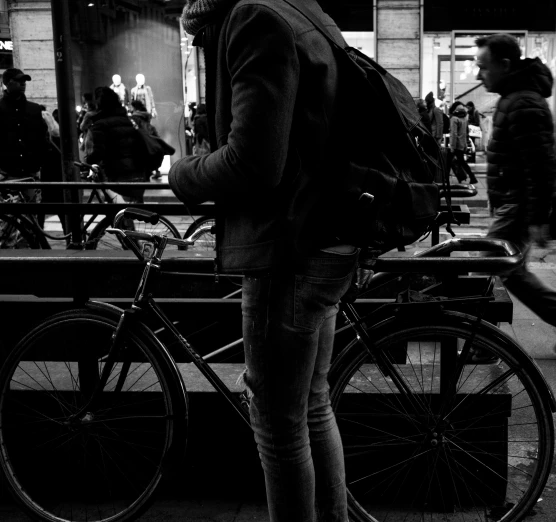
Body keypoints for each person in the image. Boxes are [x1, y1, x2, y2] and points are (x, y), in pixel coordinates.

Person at [169, 1, 360, 520]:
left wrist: (182, 173)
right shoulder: (301, 7)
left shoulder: (254, 17)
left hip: (289, 247)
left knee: (277, 422)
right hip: (328, 235)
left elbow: (254, 162)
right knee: (312, 404)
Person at [475, 33, 556, 356]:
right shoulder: (514, 98)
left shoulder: (524, 102)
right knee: (511, 273)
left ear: (504, 64)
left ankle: (483, 343)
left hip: (519, 205)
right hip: (512, 202)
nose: (478, 75)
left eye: (483, 67)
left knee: (489, 266)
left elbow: (539, 167)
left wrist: (537, 218)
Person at [0, 68, 48, 240]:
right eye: (18, 80)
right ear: (6, 83)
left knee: (32, 223)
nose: (23, 84)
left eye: (24, 81)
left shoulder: (34, 110)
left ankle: (31, 254)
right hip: (6, 174)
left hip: (30, 174)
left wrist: (39, 163)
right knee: (7, 223)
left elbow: (43, 139)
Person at [83, 87, 146, 204]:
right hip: (138, 174)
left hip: (116, 177)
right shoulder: (128, 121)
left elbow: (98, 153)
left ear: (98, 104)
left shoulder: (99, 125)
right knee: (132, 214)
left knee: (118, 215)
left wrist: (87, 161)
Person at [448, 101, 477, 185]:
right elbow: (465, 132)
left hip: (456, 145)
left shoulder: (454, 119)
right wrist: (465, 144)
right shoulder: (464, 118)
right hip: (462, 144)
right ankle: (468, 177)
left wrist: (452, 147)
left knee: (451, 162)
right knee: (460, 162)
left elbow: (453, 134)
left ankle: (470, 177)